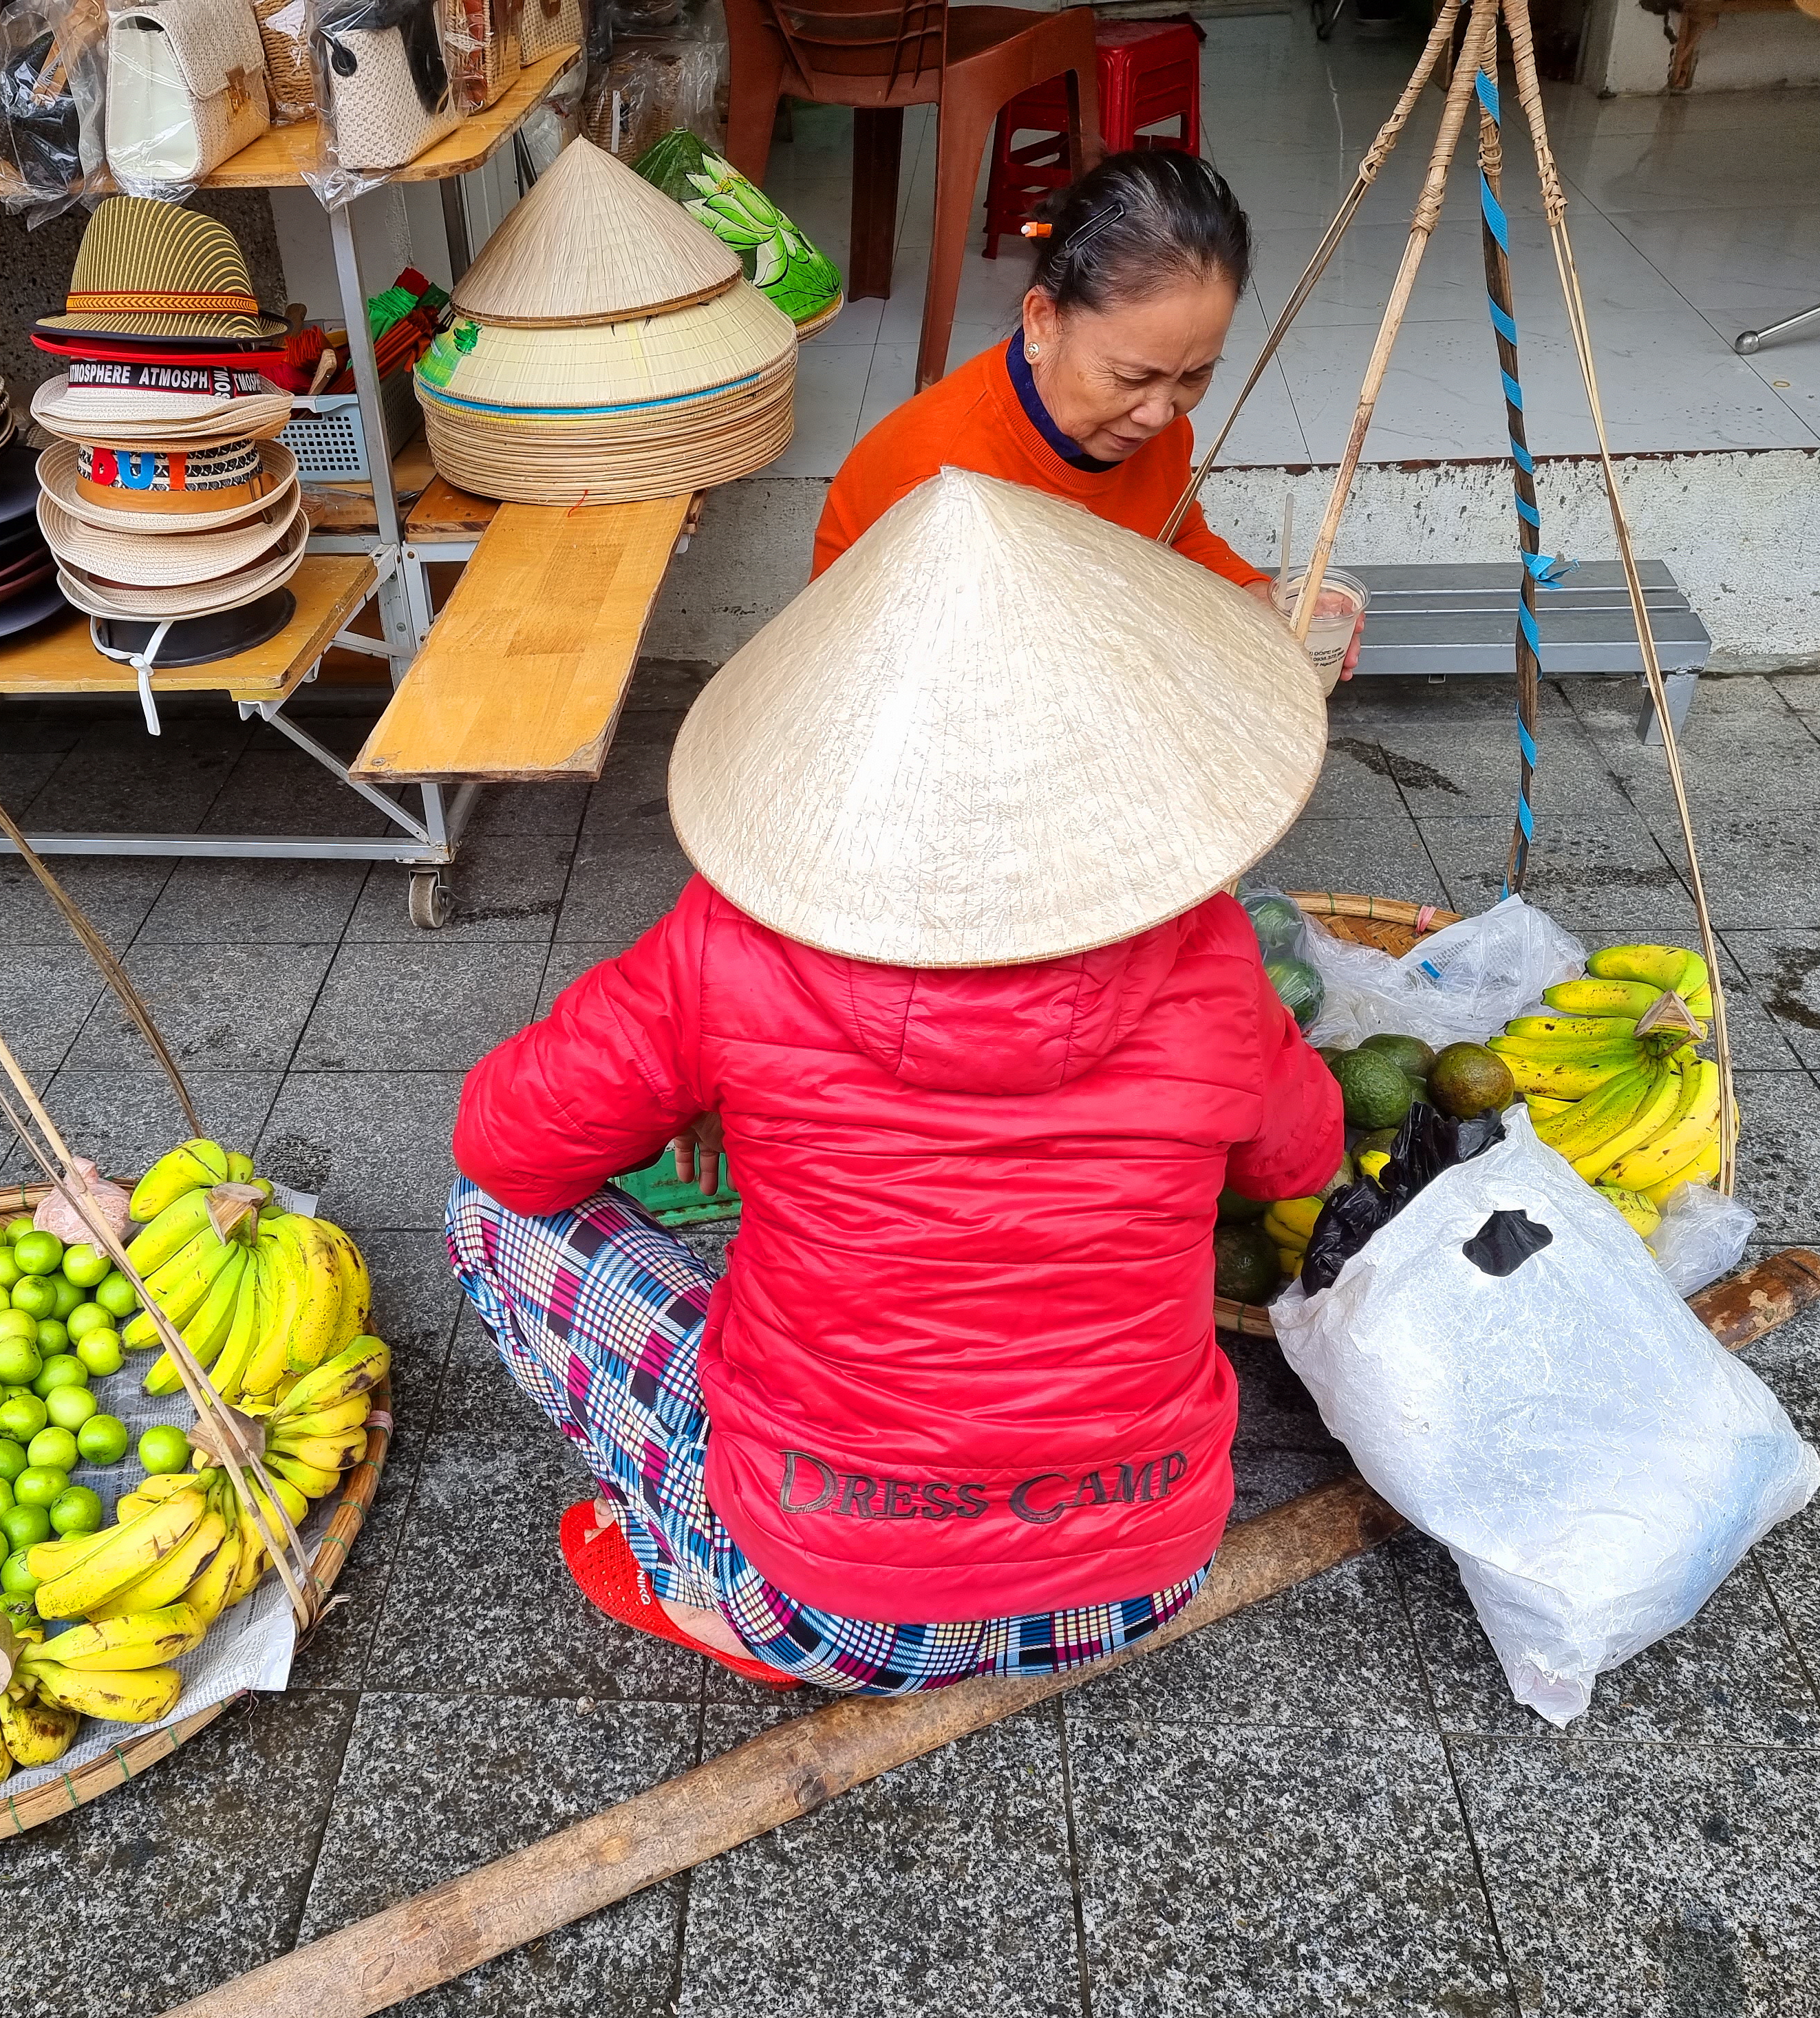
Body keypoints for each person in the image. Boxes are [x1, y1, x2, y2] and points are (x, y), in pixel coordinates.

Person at [446, 469, 1341, 1692]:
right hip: (1138, 1580)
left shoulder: (730, 947)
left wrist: (715, 1083)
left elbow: (505, 1144)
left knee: (490, 1216)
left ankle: (711, 1592)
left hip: (829, 1604)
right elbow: (1301, 1160)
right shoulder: (1216, 962)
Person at [813, 150, 1357, 677]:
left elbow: (1172, 534)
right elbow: (907, 680)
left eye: (1194, 375)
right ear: (1045, 321)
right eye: (1131, 377)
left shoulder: (1148, 420)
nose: (1159, 413)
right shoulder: (939, 482)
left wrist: (1255, 599)